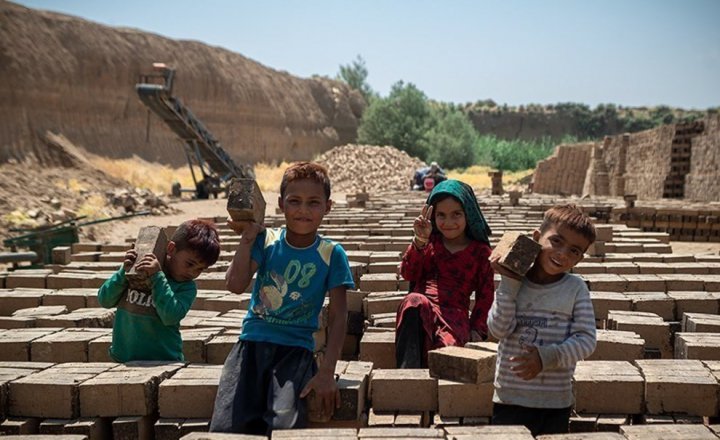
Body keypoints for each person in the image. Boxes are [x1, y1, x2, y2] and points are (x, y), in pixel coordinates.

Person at [210, 162, 355, 435]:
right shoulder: (267, 241)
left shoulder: (331, 253)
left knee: (283, 426)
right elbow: (234, 284)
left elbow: (338, 317)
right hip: (250, 348)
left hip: (294, 353)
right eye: (294, 201)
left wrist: (326, 373)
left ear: (328, 206)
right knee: (227, 427)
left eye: (313, 202)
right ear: (280, 204)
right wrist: (247, 240)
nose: (303, 210)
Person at [487, 204, 597, 437]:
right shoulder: (514, 282)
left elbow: (586, 340)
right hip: (509, 399)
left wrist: (547, 357)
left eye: (574, 251)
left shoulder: (575, 289)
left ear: (579, 259)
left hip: (554, 403)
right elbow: (498, 329)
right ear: (537, 237)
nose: (562, 254)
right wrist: (508, 282)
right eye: (556, 241)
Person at [396, 179, 495, 368]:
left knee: (445, 352)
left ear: (469, 214)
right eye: (441, 215)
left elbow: (486, 296)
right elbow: (408, 273)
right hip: (421, 309)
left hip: (454, 317)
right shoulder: (429, 243)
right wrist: (419, 240)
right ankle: (407, 376)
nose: (448, 222)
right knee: (414, 300)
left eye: (456, 214)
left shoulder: (480, 253)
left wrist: (477, 329)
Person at [97, 219, 221, 362]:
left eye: (200, 269)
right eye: (190, 264)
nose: (193, 273)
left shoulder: (186, 287)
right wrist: (122, 273)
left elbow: (170, 316)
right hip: (123, 359)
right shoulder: (135, 270)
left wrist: (157, 278)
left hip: (163, 361)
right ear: (171, 249)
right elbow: (104, 300)